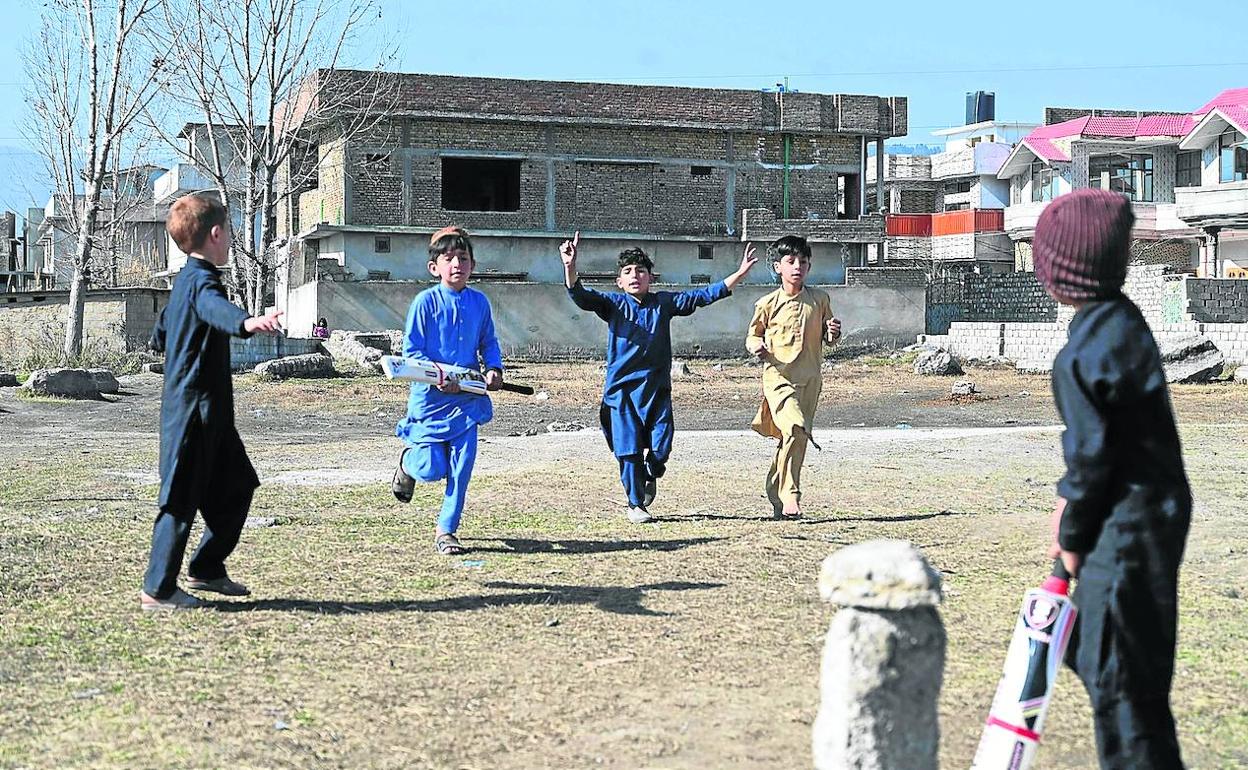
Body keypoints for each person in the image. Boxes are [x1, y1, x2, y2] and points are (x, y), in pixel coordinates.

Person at [1035, 189, 1191, 769]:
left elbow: (1091, 464)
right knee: (1129, 679)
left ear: (1059, 269)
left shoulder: (1082, 354)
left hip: (1120, 534)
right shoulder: (1122, 321)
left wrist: (1070, 541)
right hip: (1152, 522)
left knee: (1123, 690)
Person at [141, 193, 283, 611]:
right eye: (229, 234)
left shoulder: (185, 280)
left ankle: (206, 569)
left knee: (238, 486)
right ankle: (158, 590)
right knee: (180, 500)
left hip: (214, 416)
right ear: (216, 234)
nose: (230, 241)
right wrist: (247, 322)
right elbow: (213, 308)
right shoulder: (201, 281)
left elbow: (164, 330)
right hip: (191, 415)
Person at [560, 232, 759, 523]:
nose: (634, 275)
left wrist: (739, 274)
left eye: (641, 271)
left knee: (661, 447)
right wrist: (569, 265)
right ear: (619, 281)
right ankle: (635, 504)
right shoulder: (612, 305)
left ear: (651, 277)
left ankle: (651, 472)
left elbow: (702, 296)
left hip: (656, 390)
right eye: (627, 272)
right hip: (621, 393)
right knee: (628, 449)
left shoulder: (663, 303)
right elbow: (580, 295)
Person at [391, 226, 503, 555]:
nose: (456, 264)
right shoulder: (424, 303)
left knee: (462, 466)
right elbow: (412, 351)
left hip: (467, 399)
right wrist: (438, 376)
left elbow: (489, 342)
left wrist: (494, 369)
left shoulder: (479, 303)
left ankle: (446, 530)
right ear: (434, 267)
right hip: (430, 399)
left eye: (463, 258)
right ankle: (408, 463)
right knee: (432, 468)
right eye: (449, 258)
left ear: (473, 265)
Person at [745, 235, 841, 518]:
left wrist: (833, 333)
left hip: (810, 380)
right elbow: (753, 335)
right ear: (778, 267)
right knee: (796, 429)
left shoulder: (820, 300)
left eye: (803, 262)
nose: (797, 266)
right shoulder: (767, 303)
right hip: (778, 379)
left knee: (793, 437)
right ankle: (791, 495)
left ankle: (775, 485)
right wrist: (756, 346)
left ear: (809, 267)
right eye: (790, 261)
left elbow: (829, 336)